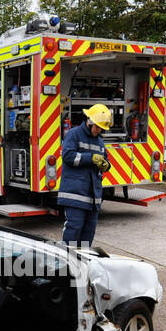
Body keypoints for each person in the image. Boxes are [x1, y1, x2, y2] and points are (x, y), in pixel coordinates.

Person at [58, 103, 113, 247]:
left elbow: (104, 159)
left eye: (102, 128)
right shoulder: (74, 134)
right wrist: (91, 158)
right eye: (98, 127)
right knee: (73, 230)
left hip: (93, 197)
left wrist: (106, 165)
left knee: (88, 234)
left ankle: (82, 265)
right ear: (90, 122)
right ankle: (66, 264)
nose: (99, 130)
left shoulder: (99, 141)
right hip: (75, 194)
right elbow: (68, 156)